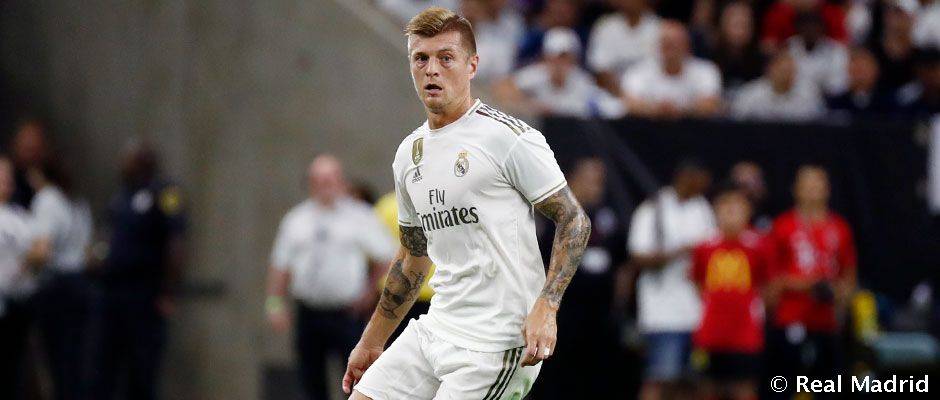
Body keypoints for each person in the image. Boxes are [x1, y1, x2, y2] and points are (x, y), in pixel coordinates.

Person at [343, 7, 591, 400]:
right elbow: (412, 258)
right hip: (436, 328)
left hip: (497, 342)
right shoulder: (409, 154)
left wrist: (547, 305)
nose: (432, 69)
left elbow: (574, 220)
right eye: (421, 58)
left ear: (472, 65)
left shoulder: (508, 138)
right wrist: (372, 341)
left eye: (446, 58)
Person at [266, 155, 395, 400]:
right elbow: (281, 264)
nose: (325, 186)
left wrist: (369, 292)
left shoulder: (359, 216)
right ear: (310, 183)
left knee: (355, 379)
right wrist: (275, 303)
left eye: (330, 179)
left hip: (346, 313)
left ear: (341, 181)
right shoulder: (296, 219)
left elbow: (387, 257)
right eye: (319, 180)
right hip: (309, 312)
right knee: (311, 380)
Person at [85, 140, 186, 400]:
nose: (123, 165)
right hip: (111, 292)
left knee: (142, 369)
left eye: (129, 159)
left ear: (146, 160)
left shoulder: (167, 192)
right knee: (103, 366)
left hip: (144, 294)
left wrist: (169, 290)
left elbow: (176, 241)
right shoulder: (120, 197)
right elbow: (107, 238)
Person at [531, 158, 628, 400]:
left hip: (600, 315)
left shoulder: (609, 218)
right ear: (572, 181)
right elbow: (540, 264)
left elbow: (623, 266)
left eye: (600, 183)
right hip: (563, 313)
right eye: (590, 181)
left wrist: (618, 306)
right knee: (557, 377)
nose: (596, 188)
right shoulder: (554, 219)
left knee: (597, 377)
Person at [765, 165, 857, 396]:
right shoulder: (782, 226)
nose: (813, 190)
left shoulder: (839, 228)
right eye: (807, 185)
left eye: (818, 184)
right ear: (795, 189)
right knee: (784, 385)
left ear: (828, 189)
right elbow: (772, 276)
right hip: (791, 317)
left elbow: (848, 272)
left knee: (828, 385)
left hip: (827, 320)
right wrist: (807, 284)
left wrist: (841, 299)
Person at [628, 159, 715, 400]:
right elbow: (638, 256)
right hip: (662, 313)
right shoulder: (654, 208)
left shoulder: (702, 208)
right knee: (660, 378)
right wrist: (680, 252)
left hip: (697, 312)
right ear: (686, 177)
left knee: (691, 383)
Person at [690, 182, 769, 400]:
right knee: (707, 387)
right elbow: (698, 282)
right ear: (716, 211)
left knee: (744, 388)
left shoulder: (758, 246)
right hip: (711, 332)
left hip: (745, 333)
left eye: (737, 207)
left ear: (748, 212)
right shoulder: (704, 246)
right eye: (725, 206)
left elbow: (767, 284)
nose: (730, 212)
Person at [30, 158, 93, 400]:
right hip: (80, 283)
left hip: (57, 285)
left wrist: (23, 265)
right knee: (76, 356)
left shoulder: (47, 199)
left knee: (56, 357)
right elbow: (87, 252)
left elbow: (43, 249)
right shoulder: (77, 202)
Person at [493, 27, 623, 118]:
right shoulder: (537, 74)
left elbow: (612, 108)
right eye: (555, 57)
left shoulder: (582, 82)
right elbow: (503, 88)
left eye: (564, 57)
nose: (559, 63)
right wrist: (532, 106)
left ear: (574, 59)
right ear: (546, 57)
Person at [621, 21, 722, 119]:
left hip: (694, 128)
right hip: (648, 128)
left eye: (675, 43)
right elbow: (629, 103)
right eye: (665, 44)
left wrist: (679, 110)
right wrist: (656, 109)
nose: (670, 49)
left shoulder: (706, 70)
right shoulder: (638, 71)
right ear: (657, 45)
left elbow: (710, 104)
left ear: (687, 46)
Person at [0, 154, 39, 400]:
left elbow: (37, 251)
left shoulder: (19, 216)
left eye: (8, 176)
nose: (6, 180)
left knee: (12, 369)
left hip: (17, 305)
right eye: (1, 176)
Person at [586, 0, 662, 95]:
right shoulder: (605, 27)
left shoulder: (658, 27)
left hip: (650, 94)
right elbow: (600, 69)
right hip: (611, 94)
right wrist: (623, 95)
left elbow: (661, 68)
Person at [731, 51, 826, 121]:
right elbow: (736, 121)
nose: (787, 76)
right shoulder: (751, 94)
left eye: (791, 71)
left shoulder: (809, 96)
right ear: (770, 70)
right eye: (783, 71)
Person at [785, 11, 849, 95]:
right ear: (798, 28)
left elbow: (839, 83)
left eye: (815, 26)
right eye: (805, 27)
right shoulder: (788, 47)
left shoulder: (836, 50)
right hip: (793, 96)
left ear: (823, 29)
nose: (810, 30)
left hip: (826, 98)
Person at [827, 47, 894, 117]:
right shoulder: (836, 103)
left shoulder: (889, 102)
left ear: (876, 70)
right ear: (849, 70)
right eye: (857, 68)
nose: (860, 74)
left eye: (865, 67)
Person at [9, 118, 50, 209]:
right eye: (26, 147)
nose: (31, 152)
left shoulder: (53, 177)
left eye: (34, 147)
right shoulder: (9, 179)